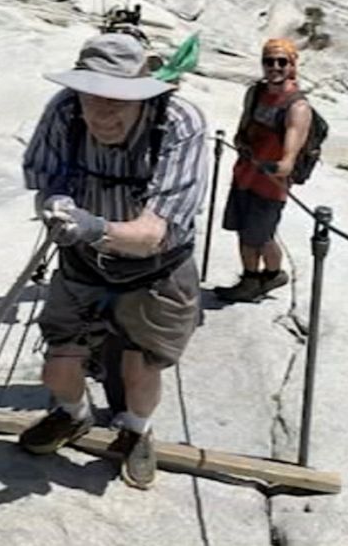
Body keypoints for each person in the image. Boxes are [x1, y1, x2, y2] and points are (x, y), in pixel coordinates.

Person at [19, 33, 208, 490]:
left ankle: (136, 430)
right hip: (83, 263)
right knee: (57, 367)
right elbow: (46, 179)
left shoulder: (179, 123)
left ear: (142, 97)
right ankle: (74, 414)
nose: (102, 113)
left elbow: (152, 235)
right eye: (93, 98)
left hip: (157, 269)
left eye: (117, 101)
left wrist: (92, 227)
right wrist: (58, 205)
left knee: (141, 367)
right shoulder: (66, 110)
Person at [216, 38, 313, 303]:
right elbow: (242, 131)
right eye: (269, 61)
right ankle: (272, 275)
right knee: (256, 234)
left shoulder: (297, 107)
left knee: (253, 237)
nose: (275, 67)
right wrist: (242, 144)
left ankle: (251, 281)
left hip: (269, 184)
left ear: (292, 65)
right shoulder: (256, 94)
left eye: (282, 61)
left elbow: (288, 158)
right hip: (245, 175)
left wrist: (281, 165)